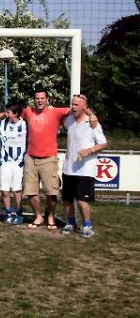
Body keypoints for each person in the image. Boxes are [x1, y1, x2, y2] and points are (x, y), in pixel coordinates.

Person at [22, 87, 75, 229]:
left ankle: (51, 217)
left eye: (42, 98)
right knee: (30, 191)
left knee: (51, 192)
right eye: (37, 98)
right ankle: (39, 216)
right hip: (30, 158)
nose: (39, 101)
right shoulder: (28, 111)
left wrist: (91, 115)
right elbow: (13, 114)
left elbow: (76, 109)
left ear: (47, 99)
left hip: (48, 159)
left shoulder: (56, 112)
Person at [61, 94, 107, 238]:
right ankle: (71, 223)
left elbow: (103, 143)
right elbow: (63, 116)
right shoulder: (69, 121)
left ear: (84, 107)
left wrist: (89, 150)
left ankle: (87, 226)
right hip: (69, 167)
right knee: (67, 199)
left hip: (85, 169)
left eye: (76, 105)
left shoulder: (92, 123)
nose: (73, 107)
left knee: (81, 199)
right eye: (72, 104)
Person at [0, 103, 27, 225]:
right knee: (4, 190)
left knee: (17, 190)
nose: (6, 114)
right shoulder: (2, 124)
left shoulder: (24, 125)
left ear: (16, 114)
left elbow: (29, 142)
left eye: (8, 112)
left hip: (18, 163)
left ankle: (18, 213)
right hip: (5, 162)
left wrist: (22, 160)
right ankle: (8, 213)